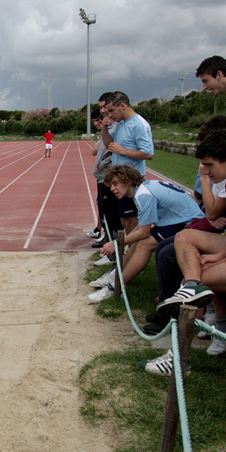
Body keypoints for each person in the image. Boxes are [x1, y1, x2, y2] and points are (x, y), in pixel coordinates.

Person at [157, 128, 226, 355]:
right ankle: (194, 285)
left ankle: (181, 353)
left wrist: (219, 260)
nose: (204, 171)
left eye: (209, 165)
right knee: (185, 238)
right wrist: (218, 256)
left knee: (200, 276)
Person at [88, 165, 203, 303]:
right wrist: (120, 241)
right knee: (138, 242)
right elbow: (140, 227)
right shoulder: (144, 189)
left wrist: (116, 243)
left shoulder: (143, 195)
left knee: (144, 243)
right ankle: (117, 275)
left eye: (115, 183)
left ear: (128, 181)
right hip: (181, 219)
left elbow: (144, 233)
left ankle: (116, 287)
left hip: (190, 223)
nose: (112, 189)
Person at [101, 91, 155, 236]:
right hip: (120, 180)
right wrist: (104, 129)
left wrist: (123, 150)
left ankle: (135, 253)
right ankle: (129, 251)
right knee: (125, 220)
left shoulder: (139, 124)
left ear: (123, 105)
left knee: (131, 220)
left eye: (112, 110)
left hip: (132, 182)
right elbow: (109, 146)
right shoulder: (121, 123)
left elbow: (148, 154)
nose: (110, 115)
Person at [88, 108, 113, 248]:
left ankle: (108, 240)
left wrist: (102, 164)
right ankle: (103, 235)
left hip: (106, 178)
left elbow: (109, 151)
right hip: (102, 178)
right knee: (103, 208)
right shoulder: (103, 134)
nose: (97, 123)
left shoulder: (111, 132)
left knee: (108, 212)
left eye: (98, 120)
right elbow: (95, 150)